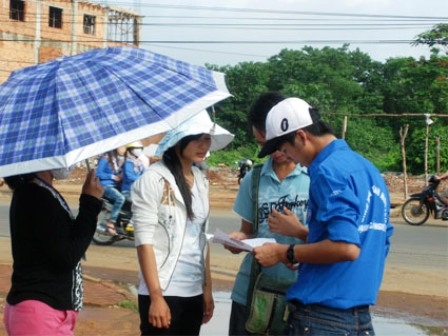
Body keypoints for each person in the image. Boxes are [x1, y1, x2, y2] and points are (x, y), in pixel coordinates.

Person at [253, 96, 394, 335]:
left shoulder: (326, 170)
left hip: (322, 316)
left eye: (286, 150)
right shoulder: (367, 169)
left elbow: (346, 247)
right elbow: (377, 242)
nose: (292, 160)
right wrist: (304, 241)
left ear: (301, 136)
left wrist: (283, 251)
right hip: (359, 316)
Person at [131, 110, 234, 336]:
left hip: (193, 292)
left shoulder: (200, 180)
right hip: (164, 291)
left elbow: (201, 239)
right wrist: (156, 297)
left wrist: (207, 289)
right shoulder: (152, 179)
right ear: (179, 138)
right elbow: (144, 242)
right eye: (197, 137)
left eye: (207, 138)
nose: (203, 145)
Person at [226, 92, 310, 336]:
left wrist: (298, 231)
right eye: (261, 143)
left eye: (272, 141)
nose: (270, 150)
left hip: (300, 294)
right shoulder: (253, 180)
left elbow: (332, 242)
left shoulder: (315, 177)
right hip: (253, 291)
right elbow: (248, 230)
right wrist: (238, 240)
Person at [2, 167, 103, 335]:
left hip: (46, 311)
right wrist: (90, 203)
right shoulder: (37, 197)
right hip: (40, 313)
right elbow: (67, 255)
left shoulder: (38, 192)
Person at [96, 150, 125, 235]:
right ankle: (111, 221)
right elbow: (98, 173)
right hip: (105, 185)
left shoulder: (115, 160)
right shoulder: (104, 159)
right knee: (120, 198)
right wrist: (112, 177)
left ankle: (119, 224)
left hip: (114, 185)